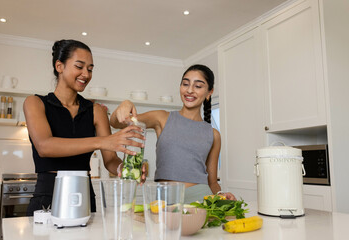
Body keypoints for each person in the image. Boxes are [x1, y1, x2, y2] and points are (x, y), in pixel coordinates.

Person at [24, 39, 146, 216]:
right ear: (60, 66)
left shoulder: (96, 111)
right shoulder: (35, 103)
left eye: (90, 69)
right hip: (48, 193)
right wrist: (103, 141)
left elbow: (110, 160)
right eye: (79, 66)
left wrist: (126, 169)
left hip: (84, 194)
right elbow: (44, 146)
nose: (86, 74)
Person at [110, 64, 236, 203]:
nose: (189, 90)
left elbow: (212, 182)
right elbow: (116, 123)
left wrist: (221, 194)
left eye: (198, 86)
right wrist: (125, 104)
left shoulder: (213, 134)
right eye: (185, 84)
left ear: (209, 92)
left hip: (200, 200)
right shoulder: (162, 118)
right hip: (165, 200)